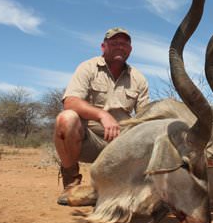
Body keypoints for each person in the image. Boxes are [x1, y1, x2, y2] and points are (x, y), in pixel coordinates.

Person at [54, 27, 149, 205]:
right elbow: (70, 101)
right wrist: (102, 115)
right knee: (66, 119)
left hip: (123, 145)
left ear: (130, 50)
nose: (120, 47)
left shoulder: (139, 78)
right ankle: (71, 183)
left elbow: (144, 117)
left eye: (124, 44)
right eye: (114, 43)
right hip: (90, 141)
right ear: (103, 46)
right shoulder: (87, 68)